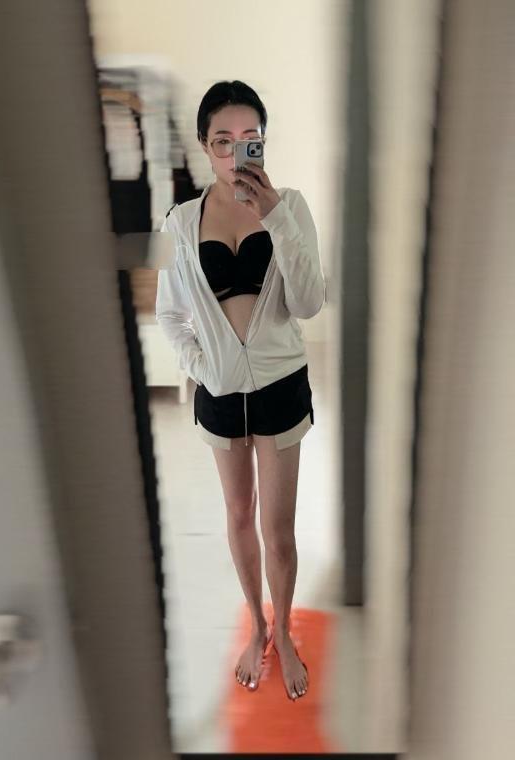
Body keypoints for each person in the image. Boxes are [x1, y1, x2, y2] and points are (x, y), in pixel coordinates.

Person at [155, 80, 325, 701]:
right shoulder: (178, 223)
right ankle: (256, 626)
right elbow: (170, 314)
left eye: (249, 140)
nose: (235, 154)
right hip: (220, 396)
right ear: (205, 146)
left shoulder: (292, 206)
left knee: (279, 530)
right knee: (237, 514)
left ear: (263, 144)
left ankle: (287, 632)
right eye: (222, 141)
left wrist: (275, 215)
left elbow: (308, 302)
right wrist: (204, 367)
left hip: (282, 388)